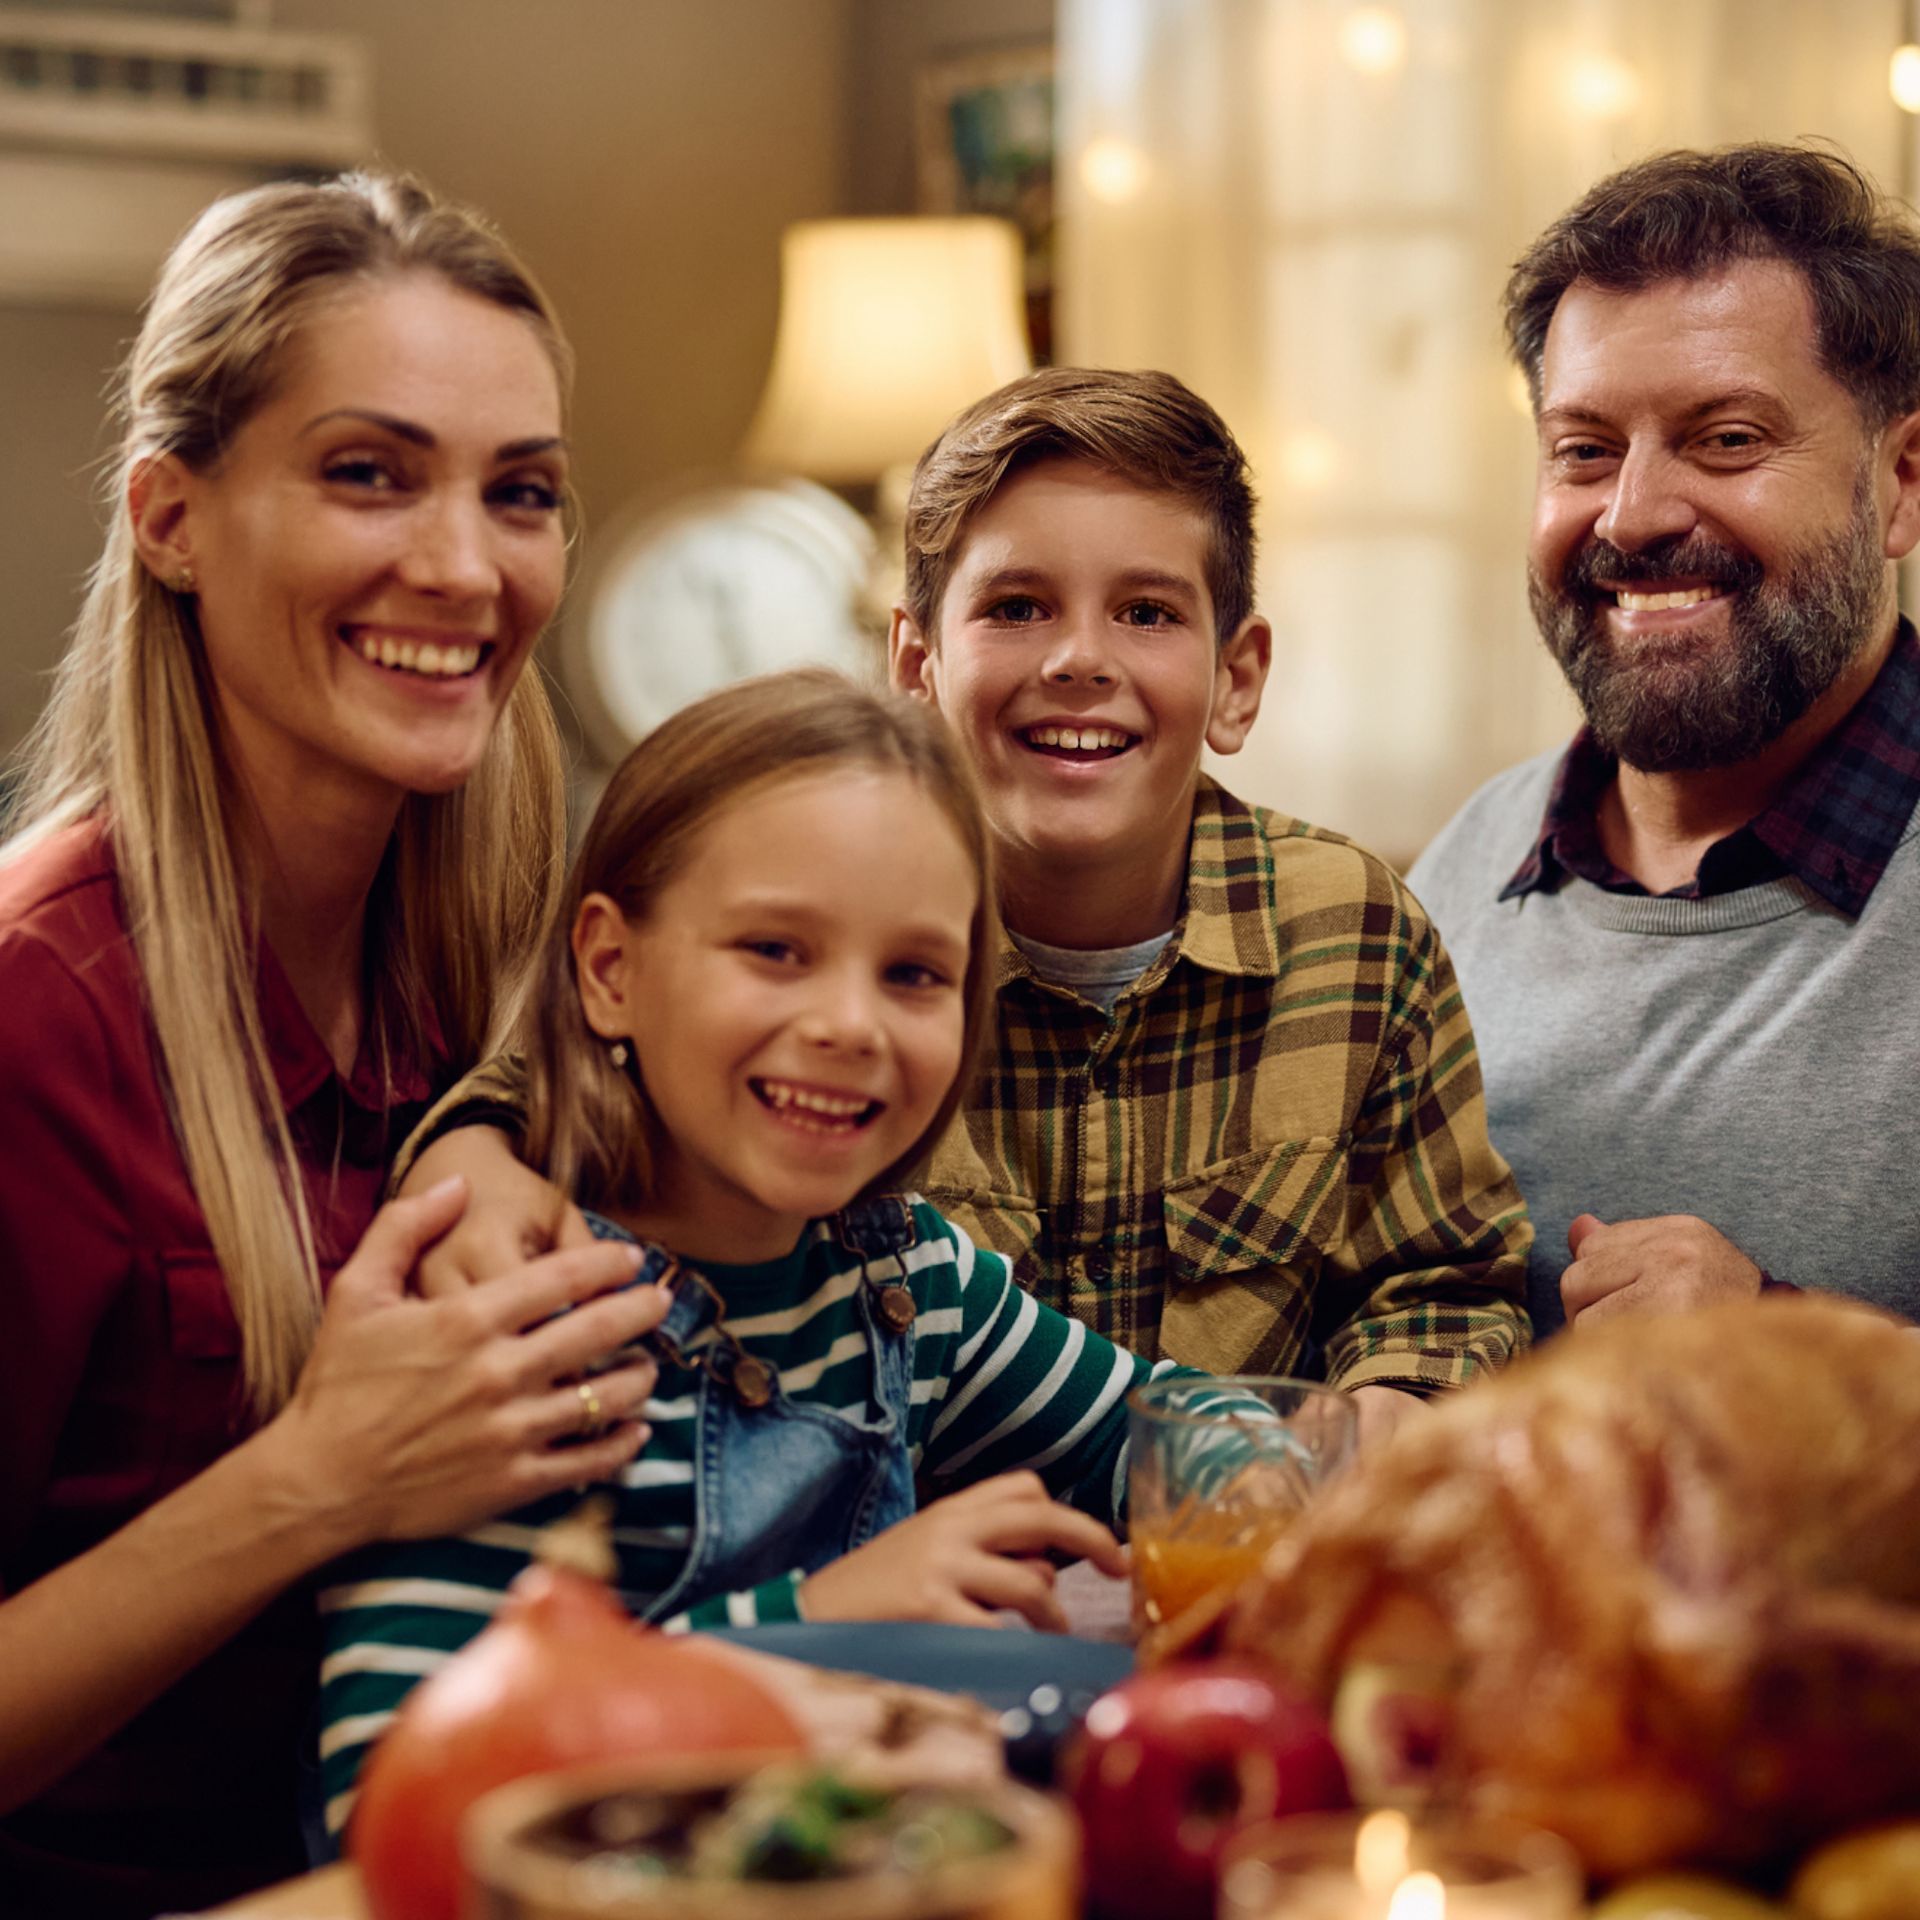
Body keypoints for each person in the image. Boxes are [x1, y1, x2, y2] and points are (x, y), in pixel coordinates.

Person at [396, 371, 1532, 1450]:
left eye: (1146, 612)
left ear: (1237, 679)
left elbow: (1439, 1279)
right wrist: (472, 1151)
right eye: (1018, 606)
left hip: (1219, 1569)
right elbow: (550, 1083)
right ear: (915, 665)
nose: (1081, 659)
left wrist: (1396, 1403)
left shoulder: (1356, 933)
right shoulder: (824, 962)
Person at [0, 173, 673, 1917]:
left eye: (517, 492)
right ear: (171, 519)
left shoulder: (516, 973)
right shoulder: (34, 1014)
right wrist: (320, 1479)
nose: (461, 567)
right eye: (368, 473)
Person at [317, 671, 1187, 1832]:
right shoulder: (525, 1324)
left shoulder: (909, 1281)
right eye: (777, 949)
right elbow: (396, 1794)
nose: (850, 1025)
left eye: (916, 974)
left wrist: (1286, 1467)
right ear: (611, 972)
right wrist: (818, 1618)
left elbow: (1180, 1441)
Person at [1407, 143, 1920, 1336]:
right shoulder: (1461, 870)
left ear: (1900, 481)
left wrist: (1788, 1352)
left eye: (1728, 438)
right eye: (1583, 450)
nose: (1632, 515)